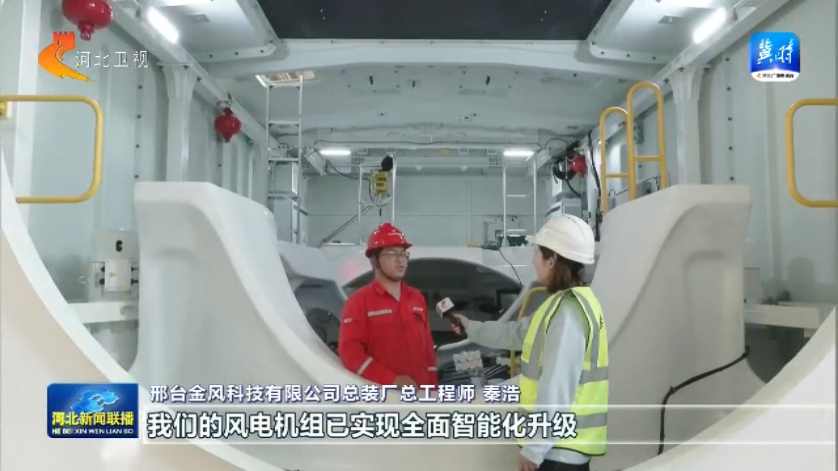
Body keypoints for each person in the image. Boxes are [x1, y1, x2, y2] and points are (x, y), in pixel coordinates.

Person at [451, 214, 608, 471]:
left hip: (558, 454)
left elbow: (557, 385)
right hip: (560, 450)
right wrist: (470, 327)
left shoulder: (567, 314)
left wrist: (535, 448)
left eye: (537, 252)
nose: (533, 259)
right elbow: (517, 334)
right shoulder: (563, 304)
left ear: (552, 260)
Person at [338, 223, 438, 388]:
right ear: (374, 260)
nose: (401, 260)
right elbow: (350, 353)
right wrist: (391, 380)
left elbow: (428, 350)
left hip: (422, 395)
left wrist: (432, 387)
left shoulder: (417, 298)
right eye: (392, 254)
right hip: (385, 396)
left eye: (404, 254)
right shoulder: (358, 302)